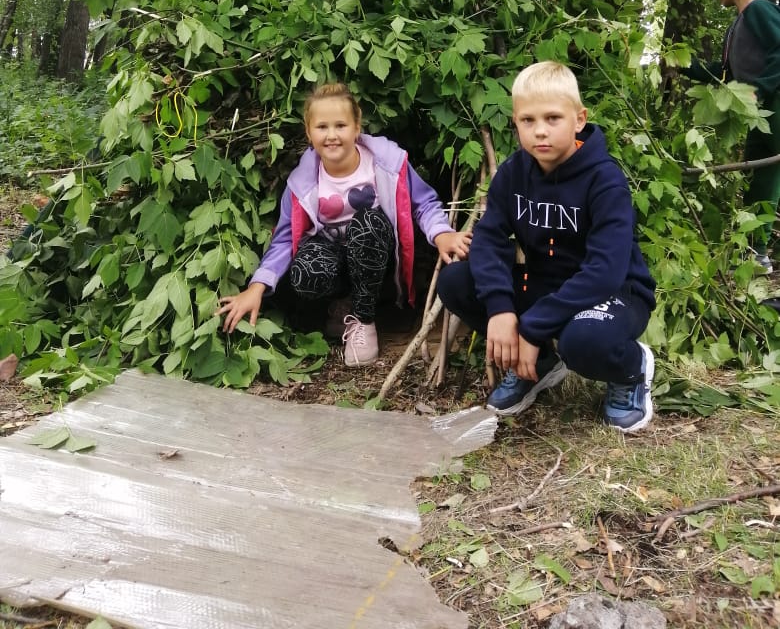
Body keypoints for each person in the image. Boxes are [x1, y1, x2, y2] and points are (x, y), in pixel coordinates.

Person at [437, 61, 657, 432]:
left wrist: (531, 328)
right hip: (544, 285)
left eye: (553, 118)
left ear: (579, 119)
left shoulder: (605, 181)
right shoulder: (513, 172)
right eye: (527, 120)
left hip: (612, 293)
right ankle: (538, 366)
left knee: (583, 341)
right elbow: (489, 239)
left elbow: (605, 272)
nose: (540, 131)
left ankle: (631, 368)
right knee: (456, 281)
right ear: (516, 122)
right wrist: (501, 308)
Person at [218, 82, 472, 366]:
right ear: (308, 131)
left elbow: (423, 203)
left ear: (356, 126)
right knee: (306, 266)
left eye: (340, 125)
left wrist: (441, 235)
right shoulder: (301, 183)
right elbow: (285, 239)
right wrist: (257, 287)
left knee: (367, 222)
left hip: (379, 262)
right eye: (322, 127)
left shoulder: (388, 164)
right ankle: (342, 308)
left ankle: (365, 320)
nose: (331, 135)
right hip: (337, 267)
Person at [683, 0, 780, 277]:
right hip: (758, 115)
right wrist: (685, 66)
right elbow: (724, 72)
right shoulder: (738, 26)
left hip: (773, 105)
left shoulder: (759, 11)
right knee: (760, 181)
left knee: (768, 173)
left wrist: (760, 87)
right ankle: (758, 252)